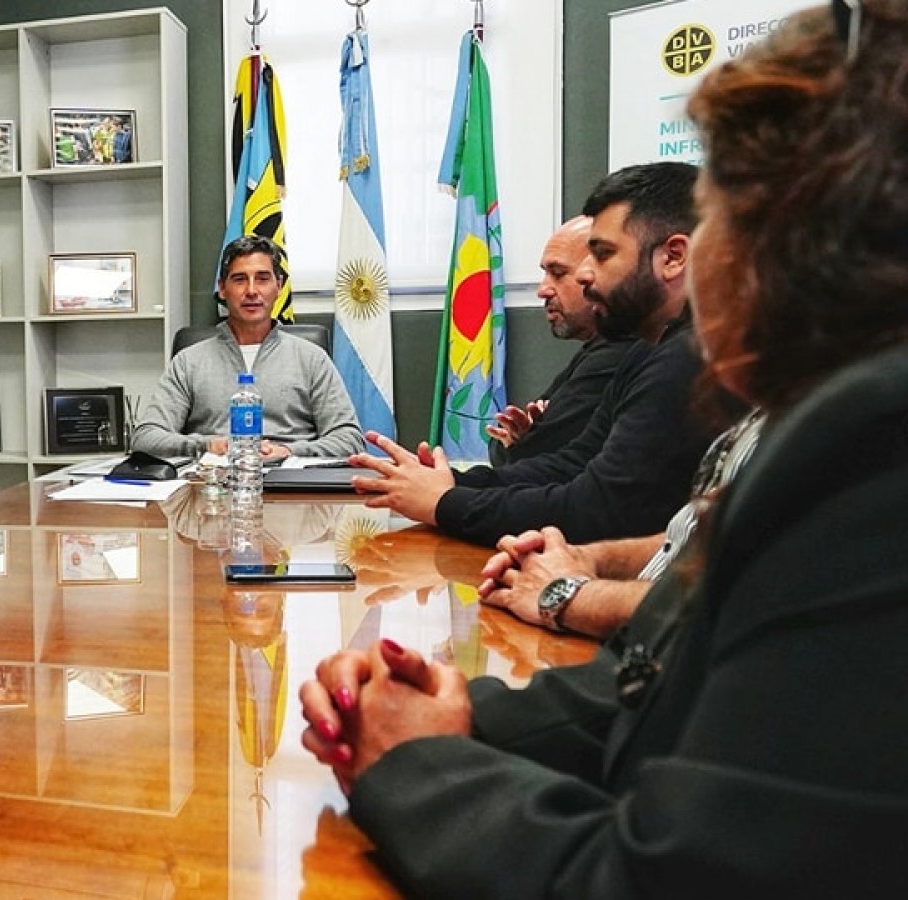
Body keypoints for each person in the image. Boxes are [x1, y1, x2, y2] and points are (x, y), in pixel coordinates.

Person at [301, 5, 908, 894]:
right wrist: (458, 709)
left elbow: (661, 881)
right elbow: (652, 681)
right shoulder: (794, 418)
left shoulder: (871, 455)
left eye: (720, 220)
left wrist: (418, 764)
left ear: (805, 238)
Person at [351, 162, 730, 546]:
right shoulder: (650, 351)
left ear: (673, 257)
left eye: (601, 254)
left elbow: (595, 509)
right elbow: (571, 464)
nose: (585, 275)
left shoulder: (691, 359)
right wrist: (451, 482)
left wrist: (446, 502)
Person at [478, 408, 764, 637]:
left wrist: (570, 595)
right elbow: (690, 539)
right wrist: (582, 558)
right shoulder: (773, 410)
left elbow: (745, 600)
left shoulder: (804, 431)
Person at [132, 235, 364, 460]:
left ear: (279, 286)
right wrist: (208, 446)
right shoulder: (189, 361)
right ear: (222, 288)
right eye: (240, 279)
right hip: (212, 485)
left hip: (290, 483)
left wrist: (288, 451)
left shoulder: (311, 358)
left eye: (262, 278)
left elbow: (349, 439)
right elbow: (146, 437)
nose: (251, 290)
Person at [486, 216, 632, 466]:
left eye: (558, 273)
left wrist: (524, 443)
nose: (543, 290)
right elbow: (505, 446)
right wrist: (523, 439)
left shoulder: (617, 354)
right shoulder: (595, 349)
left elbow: (534, 455)